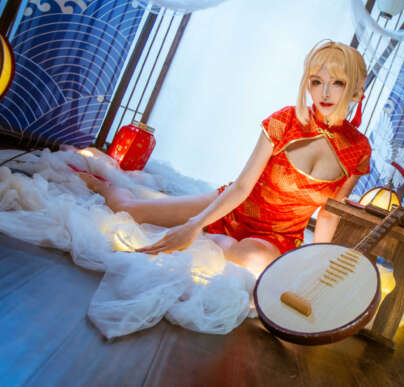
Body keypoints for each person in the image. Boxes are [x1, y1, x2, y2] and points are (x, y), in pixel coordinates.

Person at [80, 40, 371, 275]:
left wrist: (317, 263)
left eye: (337, 83)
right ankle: (104, 185)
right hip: (230, 206)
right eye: (316, 81)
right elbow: (242, 187)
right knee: (128, 211)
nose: (324, 92)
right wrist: (194, 224)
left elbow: (329, 213)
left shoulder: (358, 150)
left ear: (357, 91)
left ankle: (204, 239)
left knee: (255, 261)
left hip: (275, 237)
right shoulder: (286, 121)